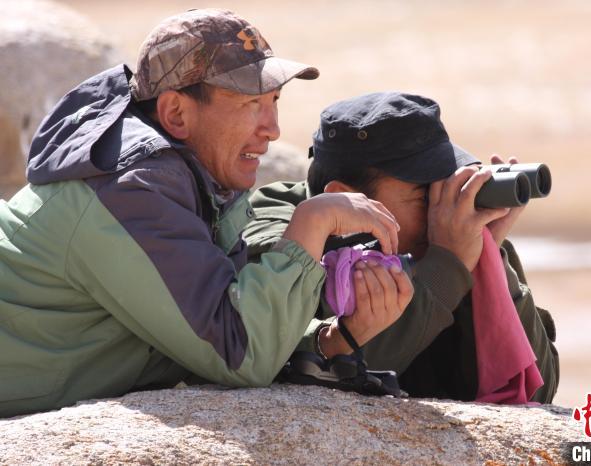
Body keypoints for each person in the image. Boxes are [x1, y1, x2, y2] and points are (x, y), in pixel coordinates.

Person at [0, 10, 413, 418]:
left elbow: (207, 325)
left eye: (274, 100)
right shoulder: (131, 190)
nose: (272, 128)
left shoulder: (190, 176)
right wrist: (312, 222)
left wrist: (333, 339)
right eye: (252, 103)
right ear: (176, 114)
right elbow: (241, 352)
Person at [245, 92, 560, 403]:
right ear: (346, 197)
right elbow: (327, 367)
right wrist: (448, 268)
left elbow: (537, 390)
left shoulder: (454, 234)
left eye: (447, 184)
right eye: (424, 195)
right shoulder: (283, 227)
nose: (442, 206)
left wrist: (488, 262)